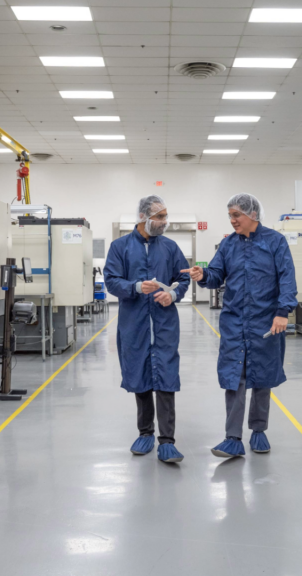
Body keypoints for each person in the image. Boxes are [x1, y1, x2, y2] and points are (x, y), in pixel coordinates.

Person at [182, 194, 297, 458]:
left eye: (237, 215)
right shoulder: (228, 244)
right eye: (230, 216)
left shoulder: (275, 242)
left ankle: (259, 430)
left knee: (262, 377)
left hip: (265, 319)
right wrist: (203, 275)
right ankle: (232, 437)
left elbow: (287, 278)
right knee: (235, 377)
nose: (233, 220)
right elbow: (216, 275)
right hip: (234, 321)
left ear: (252, 214)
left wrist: (282, 312)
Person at [104, 195, 190, 464]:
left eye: (165, 216)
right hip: (134, 323)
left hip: (164, 323)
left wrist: (173, 295)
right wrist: (136, 287)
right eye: (159, 217)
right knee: (139, 373)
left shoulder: (170, 247)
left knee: (166, 375)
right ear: (143, 217)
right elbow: (111, 281)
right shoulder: (120, 247)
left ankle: (167, 441)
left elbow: (183, 278)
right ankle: (145, 433)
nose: (165, 222)